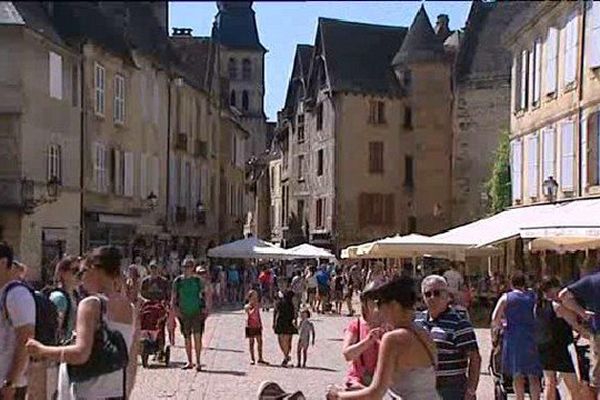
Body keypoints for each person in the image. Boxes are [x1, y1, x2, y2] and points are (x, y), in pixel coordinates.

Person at [26, 246, 138, 400]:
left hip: (87, 393)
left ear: (95, 269)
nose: (80, 279)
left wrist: (41, 350)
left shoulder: (91, 304)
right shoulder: (130, 309)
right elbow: (131, 360)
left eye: (82, 272)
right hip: (116, 393)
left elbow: (80, 354)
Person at [326, 276, 441, 399]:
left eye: (380, 305)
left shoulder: (393, 339)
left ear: (394, 305)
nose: (378, 311)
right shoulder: (423, 333)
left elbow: (375, 393)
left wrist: (338, 395)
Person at [416, 275, 481, 400]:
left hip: (451, 389)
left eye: (437, 293)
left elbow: (474, 358)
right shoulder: (417, 321)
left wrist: (471, 390)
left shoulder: (459, 323)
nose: (432, 298)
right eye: (428, 294)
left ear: (447, 295)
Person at [492, 271, 542, 400]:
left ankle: (520, 398)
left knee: (517, 373)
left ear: (511, 283)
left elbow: (495, 318)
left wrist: (502, 326)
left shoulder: (506, 298)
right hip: (531, 336)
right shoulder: (532, 296)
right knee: (534, 375)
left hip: (514, 337)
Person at [535, 276, 586, 400]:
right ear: (552, 289)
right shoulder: (557, 306)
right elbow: (575, 325)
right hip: (560, 347)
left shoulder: (538, 306)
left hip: (543, 346)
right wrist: (589, 335)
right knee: (574, 386)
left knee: (549, 382)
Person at [0, 243, 35, 400]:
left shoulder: (16, 294)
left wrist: (10, 383)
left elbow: (25, 341)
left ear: (2, 263)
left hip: (7, 385)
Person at [559, 267, 600, 399]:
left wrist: (582, 312)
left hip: (598, 333)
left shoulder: (591, 281)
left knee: (596, 378)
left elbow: (563, 296)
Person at [342, 282, 384, 390]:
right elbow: (347, 354)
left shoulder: (391, 325)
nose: (377, 303)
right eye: (373, 299)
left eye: (381, 299)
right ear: (365, 303)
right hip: (358, 381)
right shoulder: (356, 325)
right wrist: (367, 341)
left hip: (384, 383)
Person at [172, 257, 206, 371]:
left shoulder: (198, 281)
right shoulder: (178, 281)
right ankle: (189, 361)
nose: (186, 269)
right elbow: (174, 297)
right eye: (185, 267)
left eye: (189, 267)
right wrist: (175, 310)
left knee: (197, 336)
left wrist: (206, 309)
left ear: (193, 268)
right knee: (187, 337)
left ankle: (198, 361)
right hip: (184, 312)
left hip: (197, 312)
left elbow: (205, 294)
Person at [50, 256, 80, 343]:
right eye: (75, 271)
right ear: (63, 273)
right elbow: (55, 330)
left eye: (82, 271)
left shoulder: (77, 296)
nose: (79, 275)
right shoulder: (59, 298)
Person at [273, 290, 297, 367]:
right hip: (282, 322)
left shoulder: (290, 304)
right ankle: (286, 355)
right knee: (284, 341)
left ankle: (286, 357)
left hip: (285, 322)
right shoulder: (281, 303)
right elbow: (275, 312)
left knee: (283, 341)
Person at [245, 290, 266, 365]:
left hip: (257, 325)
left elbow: (258, 316)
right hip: (250, 325)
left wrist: (261, 324)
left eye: (256, 296)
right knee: (251, 342)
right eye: (253, 297)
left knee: (260, 342)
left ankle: (260, 358)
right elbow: (251, 315)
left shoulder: (257, 305)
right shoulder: (247, 306)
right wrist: (255, 307)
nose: (255, 298)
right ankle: (252, 358)